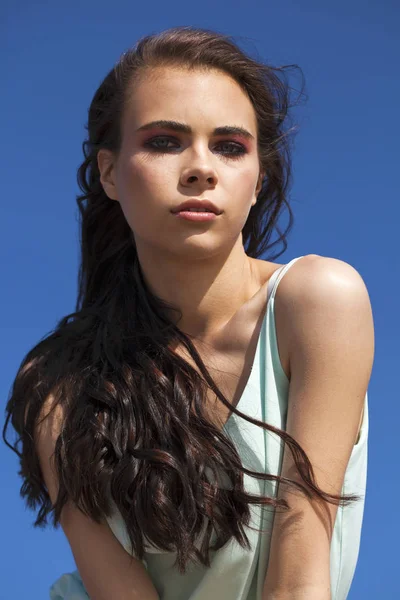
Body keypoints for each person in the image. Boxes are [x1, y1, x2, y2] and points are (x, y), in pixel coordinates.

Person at [3, 26, 374, 600]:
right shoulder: (61, 386)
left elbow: (302, 578)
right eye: (164, 141)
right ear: (108, 172)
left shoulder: (318, 301)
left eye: (230, 147)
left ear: (258, 181)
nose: (202, 168)